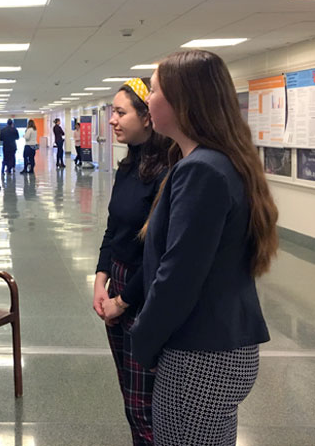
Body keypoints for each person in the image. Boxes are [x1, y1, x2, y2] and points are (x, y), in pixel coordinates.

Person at [130, 50, 279, 446]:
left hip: (199, 357)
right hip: (222, 348)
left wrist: (142, 337)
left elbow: (178, 275)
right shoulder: (218, 162)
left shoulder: (202, 170)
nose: (148, 98)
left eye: (155, 89)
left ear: (184, 101)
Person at [93, 78, 171, 445]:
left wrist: (123, 302)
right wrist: (100, 278)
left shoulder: (169, 172)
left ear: (147, 116)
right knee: (130, 395)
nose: (112, 120)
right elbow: (114, 228)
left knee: (146, 403)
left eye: (121, 112)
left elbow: (162, 256)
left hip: (145, 292)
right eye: (112, 112)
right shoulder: (128, 167)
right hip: (119, 283)